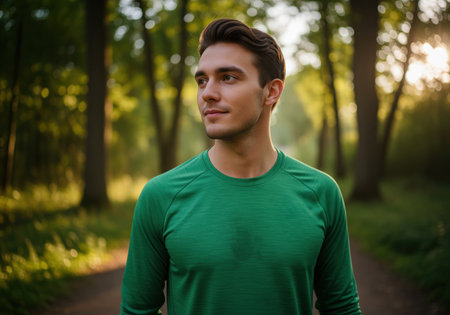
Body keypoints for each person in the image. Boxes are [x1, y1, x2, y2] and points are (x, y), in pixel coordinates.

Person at [120, 18, 361, 315]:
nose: (207, 92)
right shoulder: (160, 196)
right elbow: (137, 311)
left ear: (271, 92)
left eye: (228, 77)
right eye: (201, 80)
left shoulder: (322, 193)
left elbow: (342, 308)